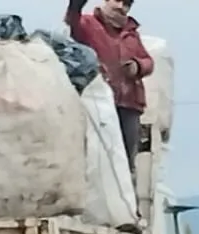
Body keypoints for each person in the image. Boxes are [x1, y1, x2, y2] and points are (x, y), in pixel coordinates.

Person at [65, 0, 154, 173]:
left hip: (129, 104)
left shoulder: (131, 33)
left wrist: (137, 66)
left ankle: (127, 194)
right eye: (117, 0)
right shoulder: (89, 23)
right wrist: (75, 6)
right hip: (98, 104)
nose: (121, 6)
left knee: (127, 159)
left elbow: (148, 61)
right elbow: (73, 24)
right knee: (98, 156)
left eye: (127, 3)